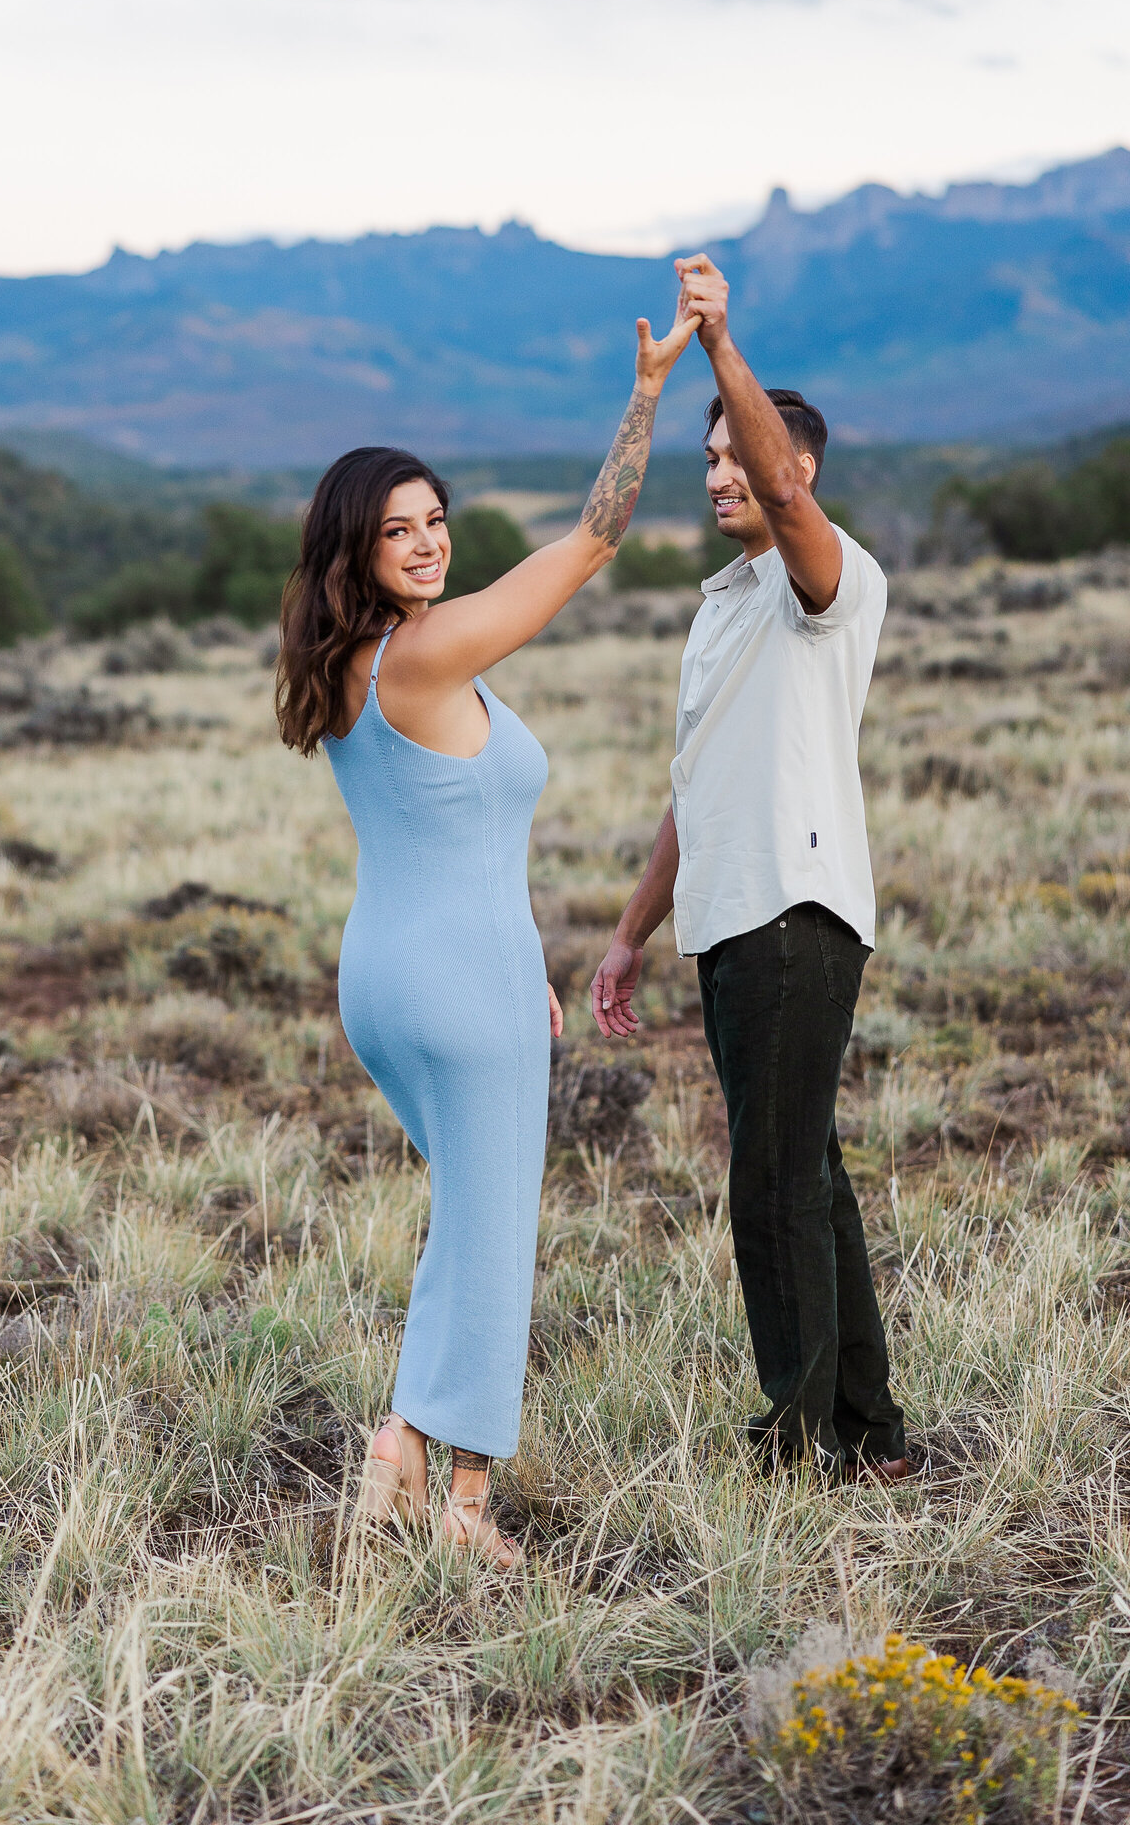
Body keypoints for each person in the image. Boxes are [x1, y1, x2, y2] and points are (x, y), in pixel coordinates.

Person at [275, 289, 700, 1565]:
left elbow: (455, 837)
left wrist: (527, 975)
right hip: (455, 986)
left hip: (410, 977)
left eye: (436, 520)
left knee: (468, 1213)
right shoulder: (424, 655)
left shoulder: (365, 656)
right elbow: (599, 532)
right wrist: (649, 391)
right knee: (494, 1231)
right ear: (355, 546)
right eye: (397, 529)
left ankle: (400, 1454)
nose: (426, 543)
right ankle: (462, 1511)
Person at [589, 252, 908, 1482]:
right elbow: (693, 785)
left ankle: (799, 1440)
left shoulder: (827, 580)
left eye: (738, 455)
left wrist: (721, 344)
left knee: (769, 1188)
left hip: (796, 911)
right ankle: (870, 1432)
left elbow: (779, 480)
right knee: (806, 1175)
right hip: (725, 918)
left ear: (795, 469)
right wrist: (628, 932)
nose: (722, 472)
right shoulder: (723, 603)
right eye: (708, 457)